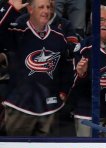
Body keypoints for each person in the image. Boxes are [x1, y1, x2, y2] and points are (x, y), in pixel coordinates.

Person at [1, 0, 72, 136]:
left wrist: (64, 89)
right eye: (41, 7)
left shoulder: (59, 36)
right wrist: (10, 9)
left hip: (50, 109)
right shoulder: (17, 31)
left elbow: (66, 65)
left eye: (48, 7)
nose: (46, 11)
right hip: (19, 108)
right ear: (30, 10)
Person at [70, 5, 106, 137]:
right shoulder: (82, 48)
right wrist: (81, 74)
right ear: (92, 23)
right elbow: (71, 87)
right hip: (87, 114)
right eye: (101, 20)